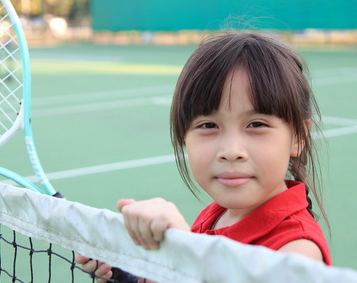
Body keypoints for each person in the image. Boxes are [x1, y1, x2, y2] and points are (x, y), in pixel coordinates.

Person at [76, 31, 331, 282]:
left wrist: (185, 253)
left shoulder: (297, 254)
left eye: (256, 124)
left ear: (298, 137)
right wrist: (124, 275)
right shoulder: (215, 216)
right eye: (208, 125)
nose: (231, 151)